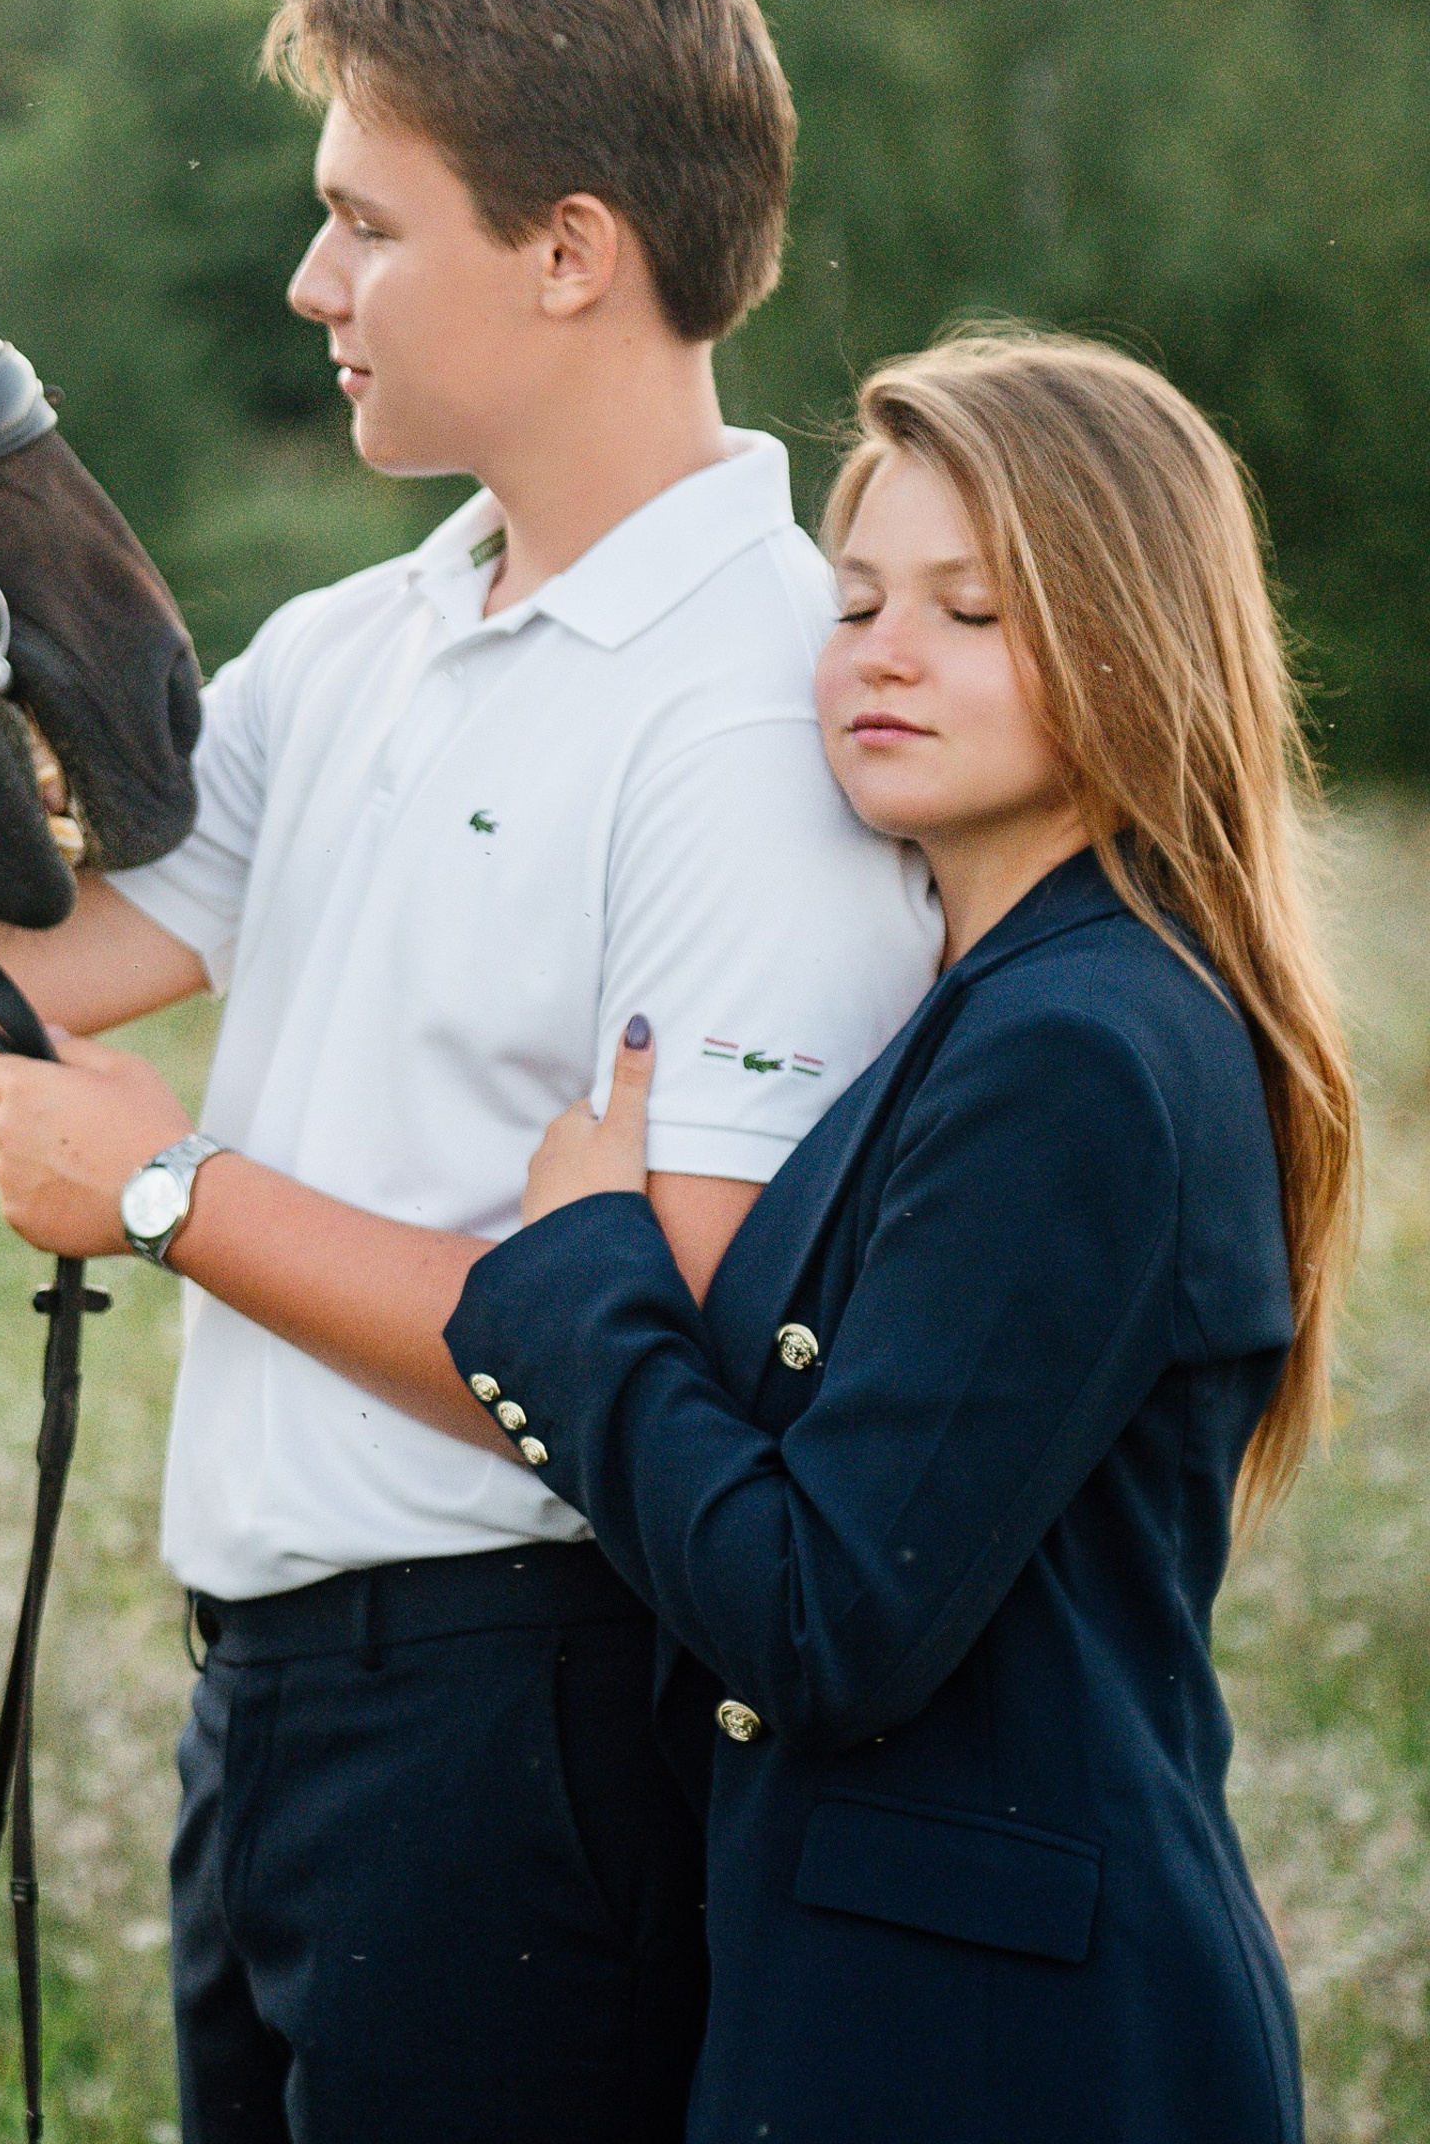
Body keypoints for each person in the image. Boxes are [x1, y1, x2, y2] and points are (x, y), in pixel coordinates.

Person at [0, 0, 941, 2141]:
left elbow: (675, 1379)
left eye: (365, 226)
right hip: (277, 1711)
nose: (310, 281)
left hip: (530, 1729)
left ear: (572, 253)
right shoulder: (354, 643)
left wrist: (167, 1193)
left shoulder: (755, 719)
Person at [446, 331, 1356, 2142]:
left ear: (1135, 638)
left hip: (1003, 2048)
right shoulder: (1004, 1007)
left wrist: (580, 1274)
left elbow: (824, 1616)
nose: (881, 649)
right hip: (913, 2004)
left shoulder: (1078, 1050)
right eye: (856, 598)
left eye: (973, 610)